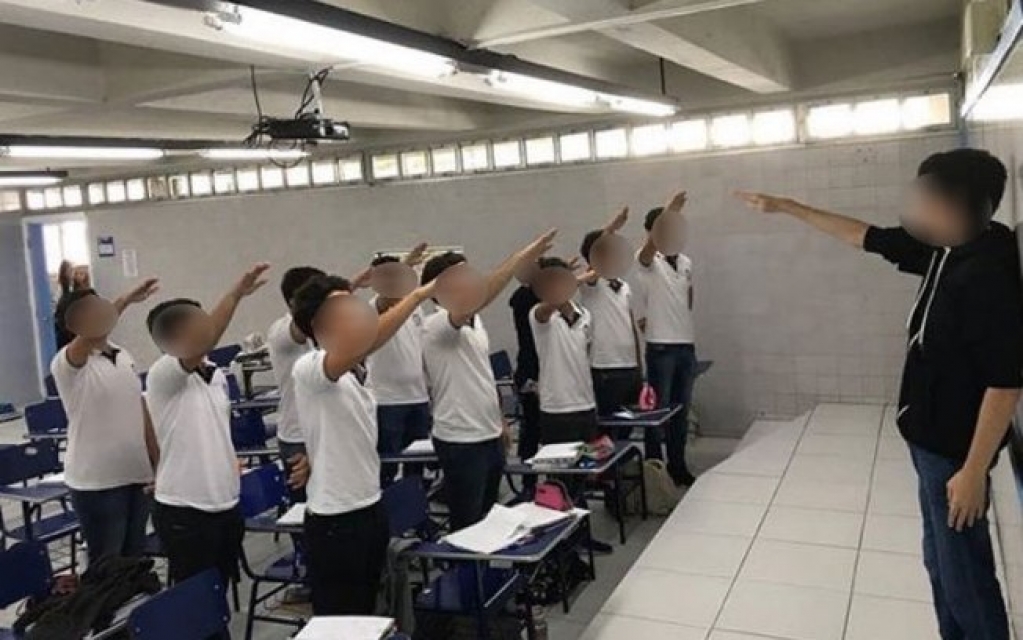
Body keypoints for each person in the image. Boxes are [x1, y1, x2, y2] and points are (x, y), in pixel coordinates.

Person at [737, 147, 1022, 640]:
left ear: (955, 203)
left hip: (955, 454)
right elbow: (864, 237)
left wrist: (974, 471)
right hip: (931, 446)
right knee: (940, 564)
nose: (913, 204)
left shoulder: (987, 275)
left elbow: (1006, 382)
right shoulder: (948, 247)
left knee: (966, 580)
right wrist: (787, 206)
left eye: (923, 194)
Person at [290, 272, 437, 615]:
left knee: (367, 607)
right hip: (335, 518)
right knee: (341, 616)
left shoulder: (356, 372)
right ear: (319, 325)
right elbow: (367, 339)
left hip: (368, 504)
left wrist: (314, 453)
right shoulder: (310, 367)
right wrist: (413, 298)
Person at [145, 263, 270, 596]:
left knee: (220, 592)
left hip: (224, 502)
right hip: (185, 509)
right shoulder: (163, 374)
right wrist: (235, 295)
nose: (207, 333)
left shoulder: (215, 375)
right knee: (195, 597)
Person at [420, 229, 557, 530]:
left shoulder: (475, 321)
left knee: (488, 516)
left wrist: (501, 421)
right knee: (467, 522)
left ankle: (486, 574)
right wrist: (520, 258)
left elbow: (482, 373)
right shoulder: (436, 325)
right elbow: (480, 295)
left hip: (488, 432)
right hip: (460, 438)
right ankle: (465, 575)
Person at [50, 278, 161, 565]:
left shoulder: (123, 355)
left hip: (136, 474)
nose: (100, 313)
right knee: (106, 565)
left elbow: (140, 409)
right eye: (88, 311)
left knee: (133, 559)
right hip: (97, 482)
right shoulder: (68, 362)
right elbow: (90, 334)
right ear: (72, 325)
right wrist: (123, 299)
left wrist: (156, 461)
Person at [636, 191, 698, 486]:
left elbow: (688, 297)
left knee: (681, 411)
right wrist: (670, 209)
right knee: (656, 414)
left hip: (685, 345)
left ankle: (677, 465)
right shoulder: (647, 259)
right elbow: (648, 252)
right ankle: (654, 468)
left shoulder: (685, 261)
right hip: (660, 347)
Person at [364, 248, 431, 486]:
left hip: (418, 397)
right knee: (387, 465)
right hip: (386, 401)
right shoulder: (371, 309)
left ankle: (418, 515)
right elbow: (384, 302)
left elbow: (423, 349)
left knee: (417, 463)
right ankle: (387, 516)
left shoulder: (415, 307)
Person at [579, 208, 644, 437]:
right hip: (604, 367)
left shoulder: (623, 285)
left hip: (628, 365)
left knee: (627, 425)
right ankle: (605, 472)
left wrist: (638, 363)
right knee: (607, 427)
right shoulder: (591, 283)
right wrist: (611, 229)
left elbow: (630, 325)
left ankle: (622, 467)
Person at [266, 266, 325, 504]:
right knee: (305, 507)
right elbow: (299, 330)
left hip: (326, 429)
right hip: (298, 435)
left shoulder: (326, 330)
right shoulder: (283, 330)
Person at [508, 260, 542, 496]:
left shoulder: (532, 295)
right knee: (532, 426)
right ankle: (529, 483)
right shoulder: (523, 298)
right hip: (530, 370)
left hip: (542, 367)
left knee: (539, 425)